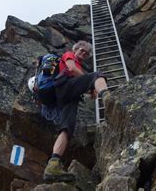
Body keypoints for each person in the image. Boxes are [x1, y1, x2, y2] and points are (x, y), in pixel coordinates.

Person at [43, 40, 111, 182]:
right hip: (63, 88)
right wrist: (93, 84)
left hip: (68, 97)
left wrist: (91, 89)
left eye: (86, 53)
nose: (83, 53)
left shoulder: (79, 66)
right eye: (81, 50)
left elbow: (79, 82)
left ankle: (52, 165)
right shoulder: (69, 55)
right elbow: (71, 68)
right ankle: (109, 100)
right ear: (75, 50)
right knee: (97, 74)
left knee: (67, 130)